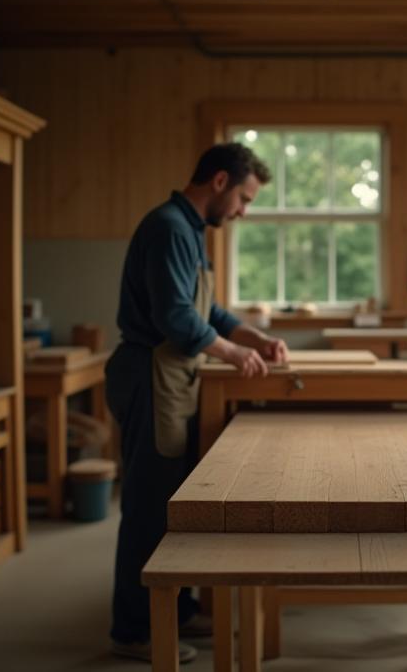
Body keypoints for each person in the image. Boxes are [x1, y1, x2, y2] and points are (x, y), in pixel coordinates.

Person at [105, 143, 288, 663]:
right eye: (245, 199)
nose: (243, 212)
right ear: (220, 181)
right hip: (150, 375)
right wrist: (233, 354)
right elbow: (177, 317)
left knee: (172, 502)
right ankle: (134, 630)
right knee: (148, 507)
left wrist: (255, 339)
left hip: (170, 376)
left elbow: (210, 311)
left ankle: (177, 610)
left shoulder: (189, 229)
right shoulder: (168, 227)